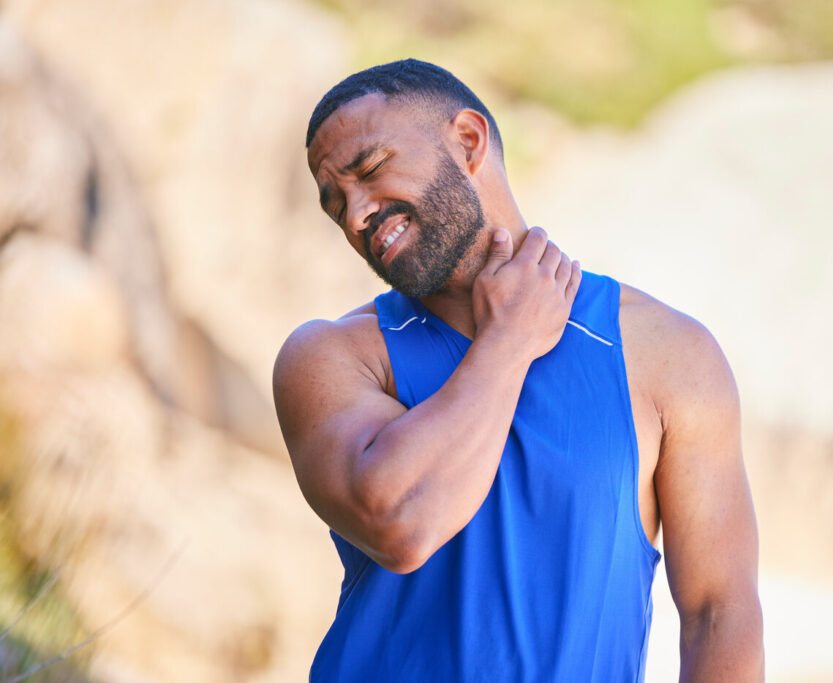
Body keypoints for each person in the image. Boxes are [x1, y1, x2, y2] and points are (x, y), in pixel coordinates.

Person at [273, 59, 763, 682]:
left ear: (468, 141)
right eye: (334, 202)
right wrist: (508, 342)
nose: (355, 215)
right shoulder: (333, 358)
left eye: (370, 170)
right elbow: (400, 524)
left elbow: (719, 613)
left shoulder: (669, 354)